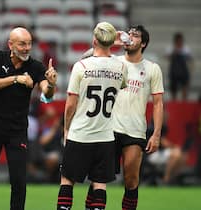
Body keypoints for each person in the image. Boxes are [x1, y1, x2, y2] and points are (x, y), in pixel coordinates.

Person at [0, 27, 58, 210]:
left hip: (17, 131)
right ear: (11, 45)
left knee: (19, 182)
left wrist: (51, 84)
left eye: (29, 44)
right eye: (22, 44)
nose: (27, 48)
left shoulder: (35, 66)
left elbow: (47, 96)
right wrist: (15, 79)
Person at [56, 22, 127, 210]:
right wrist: (111, 45)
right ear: (111, 42)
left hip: (80, 133)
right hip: (105, 135)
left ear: (94, 40)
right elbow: (120, 84)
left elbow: (71, 103)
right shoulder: (121, 67)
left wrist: (66, 128)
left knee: (67, 180)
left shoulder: (81, 66)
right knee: (99, 183)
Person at [112, 25, 164, 210]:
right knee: (99, 179)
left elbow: (158, 103)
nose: (130, 37)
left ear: (143, 43)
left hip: (134, 131)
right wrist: (111, 43)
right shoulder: (112, 61)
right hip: (108, 129)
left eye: (135, 36)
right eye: (129, 34)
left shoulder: (152, 69)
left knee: (131, 180)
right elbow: (86, 59)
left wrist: (156, 134)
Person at [166, 32, 193, 101]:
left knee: (184, 89)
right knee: (173, 90)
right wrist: (175, 52)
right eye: (178, 41)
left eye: (180, 40)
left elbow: (190, 60)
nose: (179, 42)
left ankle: (184, 104)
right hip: (174, 71)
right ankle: (174, 103)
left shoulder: (186, 49)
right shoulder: (171, 48)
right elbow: (167, 57)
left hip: (183, 71)